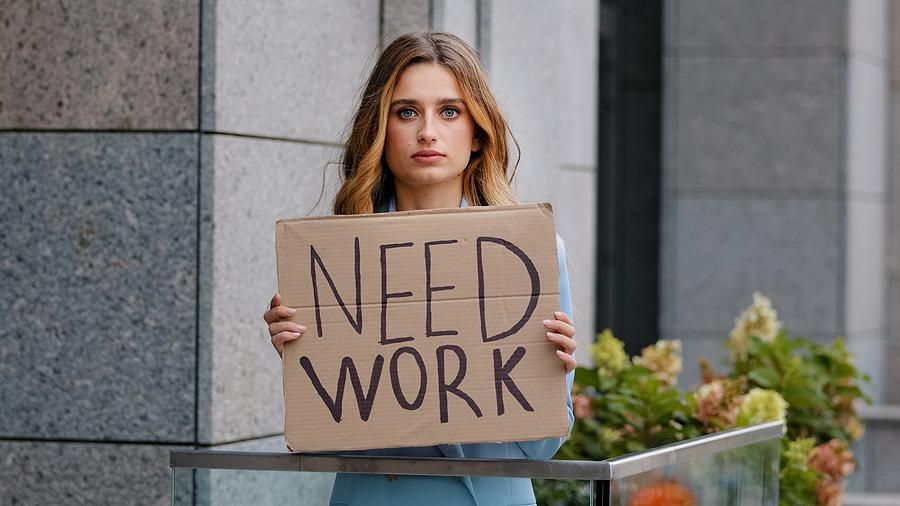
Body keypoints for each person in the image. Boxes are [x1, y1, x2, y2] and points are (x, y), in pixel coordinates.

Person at [263, 31, 577, 506]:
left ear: (477, 133)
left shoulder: (533, 253)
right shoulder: (333, 260)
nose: (427, 130)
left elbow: (540, 448)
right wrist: (306, 360)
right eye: (406, 111)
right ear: (379, 129)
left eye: (449, 111)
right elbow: (329, 434)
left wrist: (548, 376)